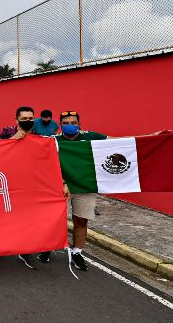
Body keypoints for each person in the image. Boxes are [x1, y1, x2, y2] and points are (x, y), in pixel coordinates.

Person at [46, 110, 110, 271]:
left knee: (81, 221)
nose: (70, 126)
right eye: (66, 123)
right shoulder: (53, 141)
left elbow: (121, 142)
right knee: (54, 221)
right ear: (60, 125)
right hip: (61, 187)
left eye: (74, 123)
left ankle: (77, 252)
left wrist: (151, 136)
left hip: (85, 187)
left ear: (79, 124)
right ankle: (47, 248)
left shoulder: (91, 136)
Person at [8, 106, 69, 269]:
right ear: (16, 120)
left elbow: (51, 164)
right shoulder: (6, 134)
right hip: (12, 187)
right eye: (24, 119)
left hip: (34, 187)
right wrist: (13, 139)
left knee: (30, 220)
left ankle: (26, 251)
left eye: (30, 118)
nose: (27, 121)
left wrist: (63, 183)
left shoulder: (41, 140)